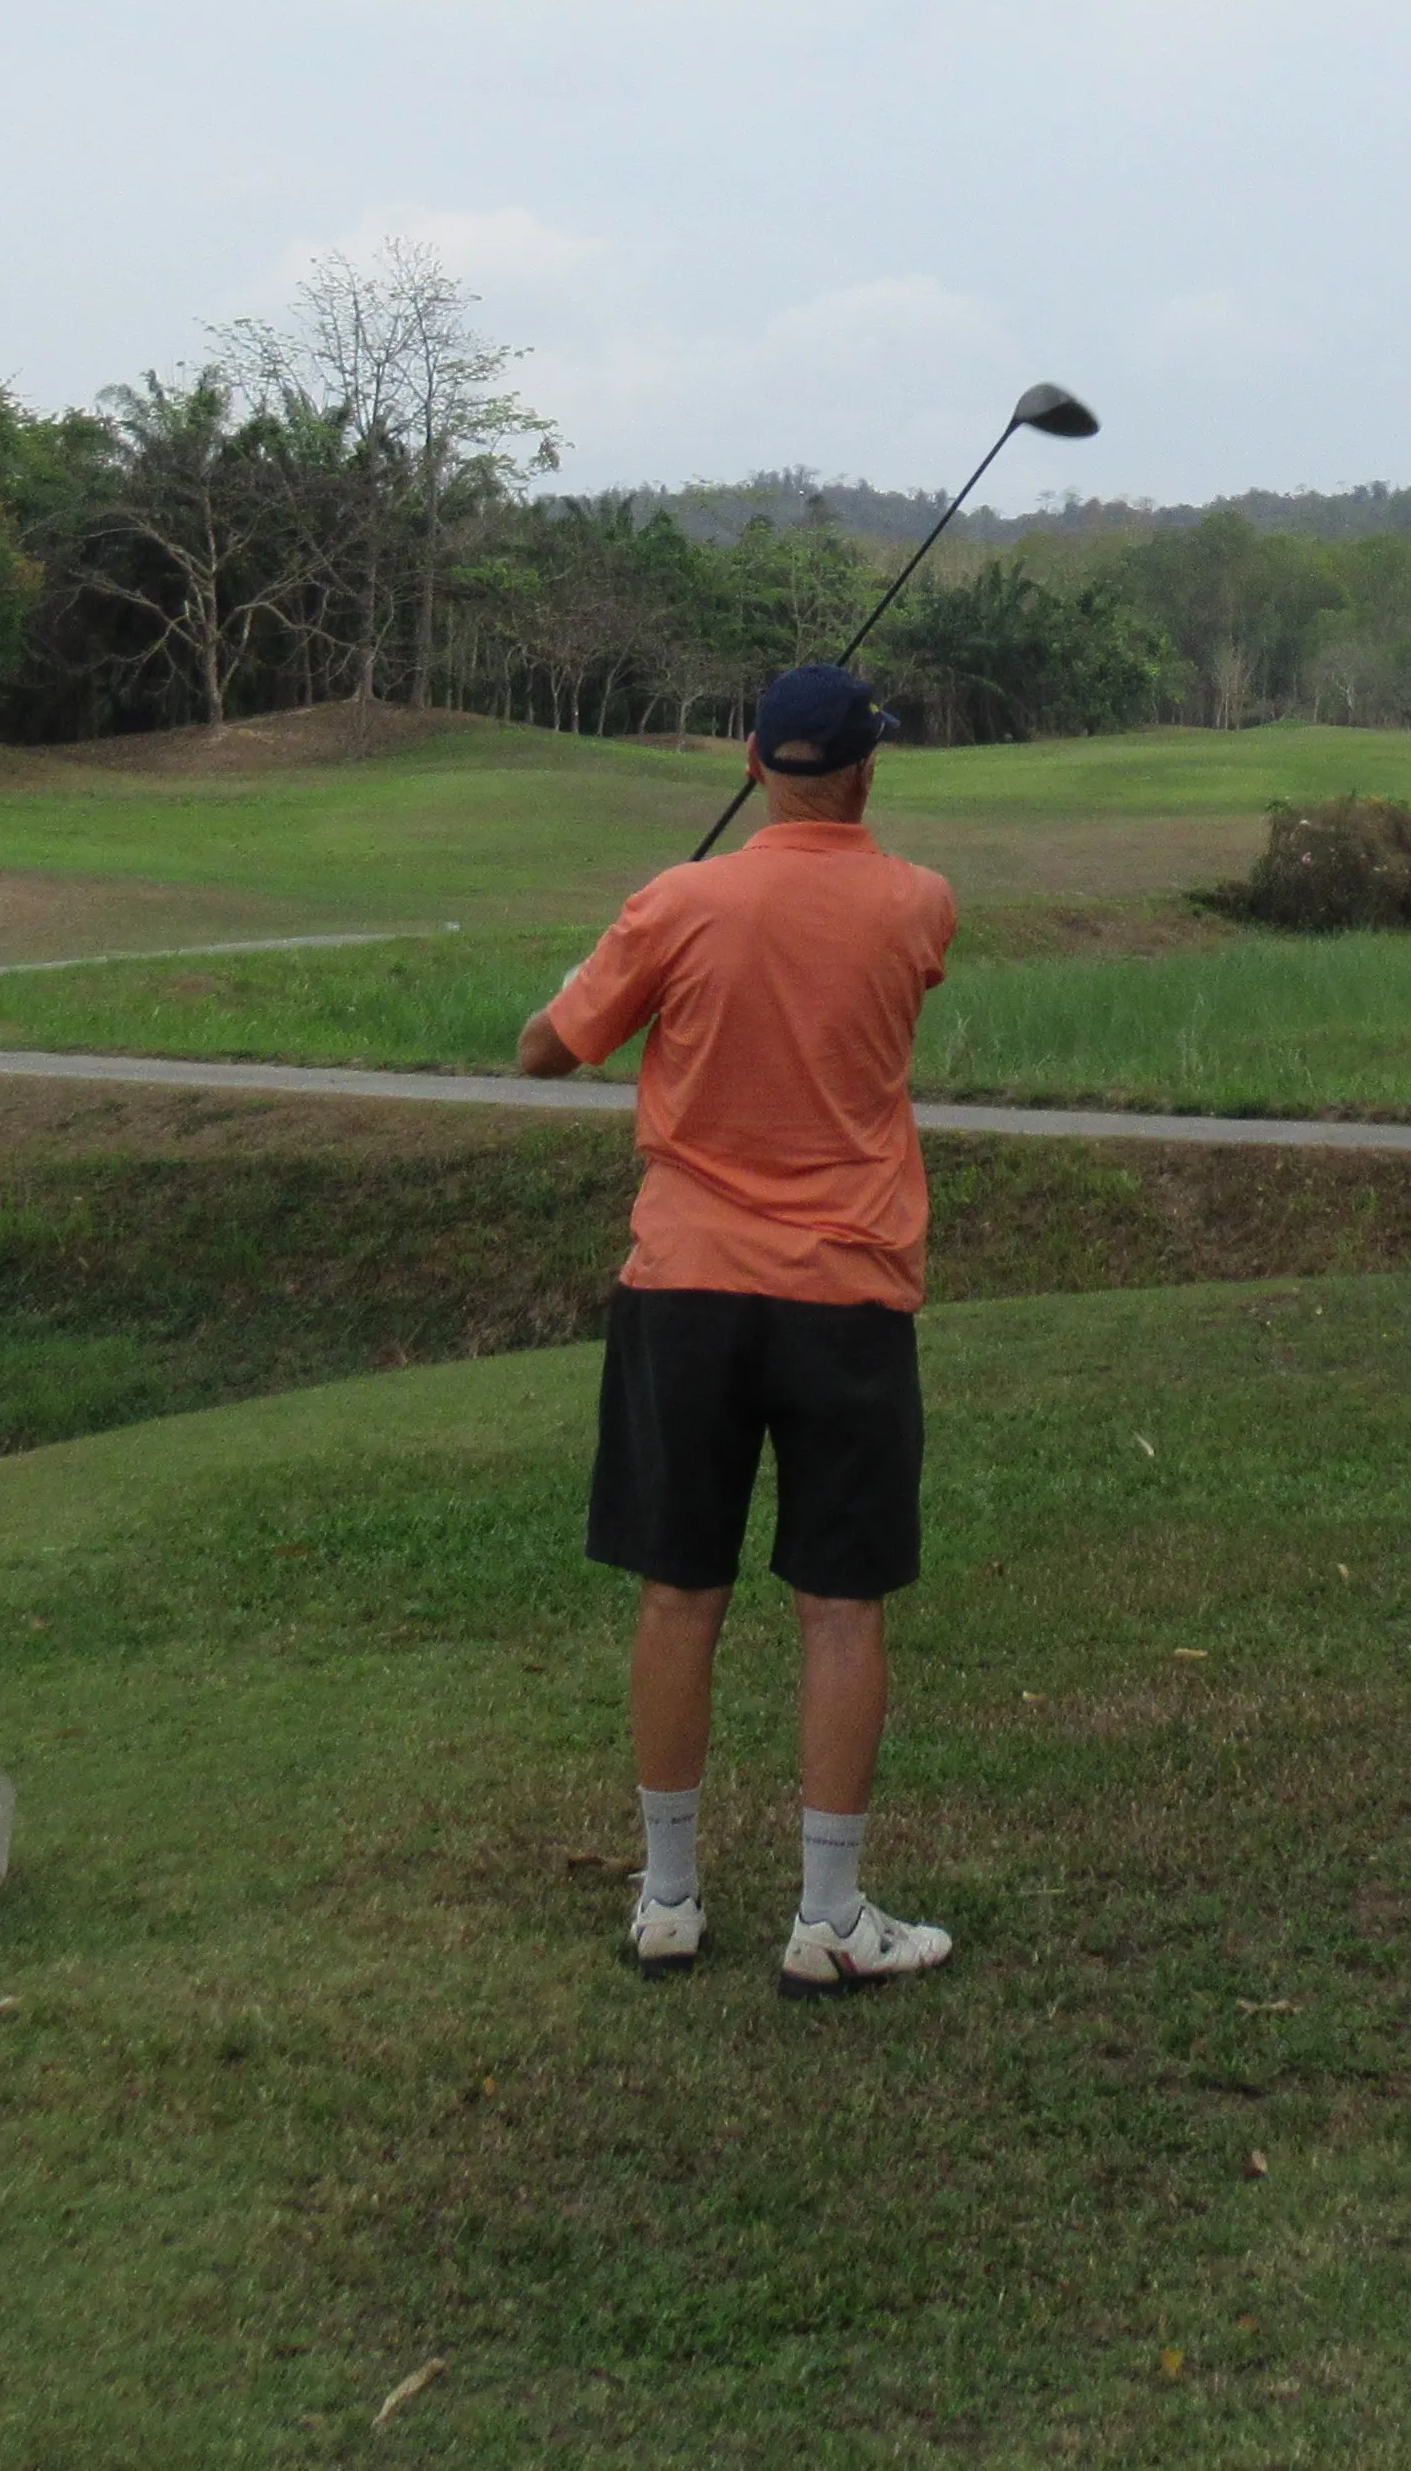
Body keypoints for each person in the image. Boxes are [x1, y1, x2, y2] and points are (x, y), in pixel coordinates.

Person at [517, 662, 963, 1999]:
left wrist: (606, 961)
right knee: (840, 1606)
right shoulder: (920, 903)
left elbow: (544, 1050)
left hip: (688, 1288)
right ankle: (827, 1918)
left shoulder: (677, 902)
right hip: (847, 1295)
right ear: (870, 771)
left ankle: (668, 1898)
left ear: (754, 762)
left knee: (678, 1591)